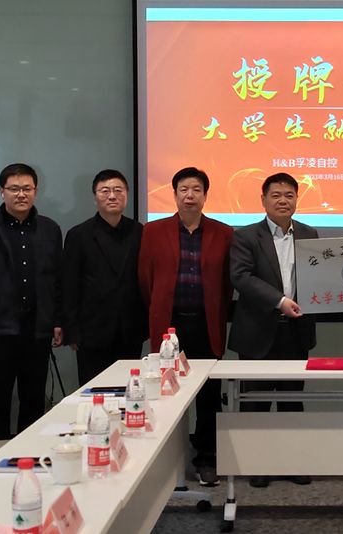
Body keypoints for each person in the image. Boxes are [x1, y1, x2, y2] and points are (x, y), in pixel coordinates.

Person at [138, 167, 233, 487]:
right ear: (174, 194)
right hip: (170, 326)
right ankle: (167, 460)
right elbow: (146, 279)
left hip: (206, 323)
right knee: (166, 392)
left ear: (206, 195)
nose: (189, 195)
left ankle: (206, 457)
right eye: (183, 189)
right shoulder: (153, 231)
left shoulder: (224, 233)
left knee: (209, 395)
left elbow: (227, 283)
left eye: (196, 190)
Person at [228, 172, 317, 488]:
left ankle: (292, 462)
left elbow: (320, 276)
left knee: (292, 400)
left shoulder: (309, 234)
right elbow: (241, 277)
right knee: (256, 402)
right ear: (263, 200)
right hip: (257, 331)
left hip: (296, 331)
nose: (283, 201)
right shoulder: (246, 236)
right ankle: (258, 464)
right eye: (276, 195)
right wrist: (279, 301)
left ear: (297, 199)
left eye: (289, 195)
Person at [0, 163, 63, 439]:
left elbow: (58, 279)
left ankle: (29, 452)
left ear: (35, 191)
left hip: (37, 329)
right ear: (2, 192)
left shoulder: (50, 229)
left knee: (33, 398)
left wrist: (57, 320)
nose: (21, 194)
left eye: (27, 189)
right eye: (14, 189)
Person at [62, 169, 146, 385]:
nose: (112, 196)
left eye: (118, 190)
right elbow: (69, 285)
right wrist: (71, 330)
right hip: (92, 331)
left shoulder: (140, 232)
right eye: (105, 191)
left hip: (130, 328)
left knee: (129, 389)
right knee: (94, 391)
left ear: (127, 194)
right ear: (95, 197)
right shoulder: (79, 235)